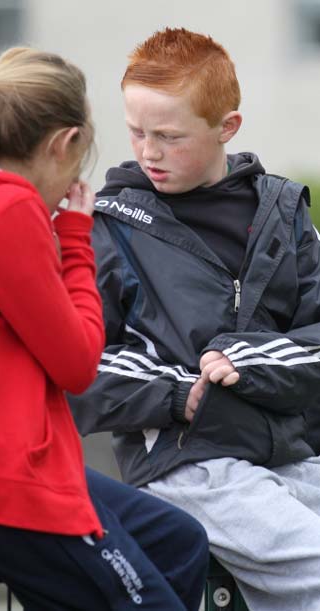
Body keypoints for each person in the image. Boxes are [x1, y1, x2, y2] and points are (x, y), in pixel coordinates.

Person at [0, 46, 209, 610]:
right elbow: (77, 364)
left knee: (177, 542)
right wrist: (76, 236)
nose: (70, 189)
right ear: (61, 144)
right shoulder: (5, 209)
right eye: (76, 169)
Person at [69, 27, 320, 611]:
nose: (148, 151)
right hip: (189, 467)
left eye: (169, 136)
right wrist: (179, 391)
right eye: (136, 132)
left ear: (226, 128)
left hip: (297, 452)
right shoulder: (106, 230)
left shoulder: (285, 214)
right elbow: (77, 362)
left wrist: (250, 358)